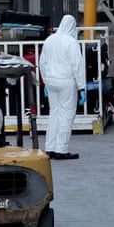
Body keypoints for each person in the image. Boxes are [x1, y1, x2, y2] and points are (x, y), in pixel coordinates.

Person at [39, 15, 86, 160]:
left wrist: (45, 82)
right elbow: (77, 66)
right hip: (66, 82)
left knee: (54, 113)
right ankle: (61, 149)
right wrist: (81, 87)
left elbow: (42, 63)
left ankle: (50, 147)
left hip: (51, 82)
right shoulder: (71, 42)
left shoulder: (49, 40)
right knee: (66, 115)